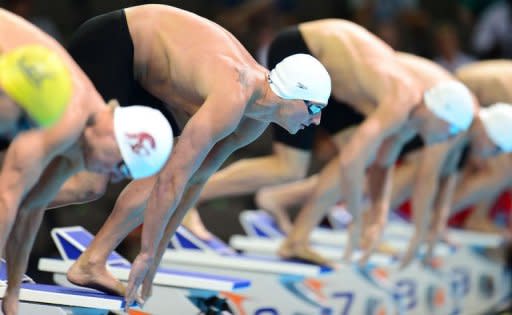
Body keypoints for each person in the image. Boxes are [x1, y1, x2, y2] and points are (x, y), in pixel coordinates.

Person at [52, 4, 331, 308]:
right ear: (290, 94)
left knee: (164, 171)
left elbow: (192, 182)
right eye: (314, 108)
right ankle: (9, 202)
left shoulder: (254, 121)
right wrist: (144, 252)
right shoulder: (233, 95)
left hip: (148, 75)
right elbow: (172, 181)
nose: (316, 121)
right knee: (88, 184)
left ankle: (92, 262)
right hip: (115, 42)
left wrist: (157, 255)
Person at [0, 8, 175, 315]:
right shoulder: (67, 119)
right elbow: (7, 197)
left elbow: (30, 210)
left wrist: (12, 294)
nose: (114, 178)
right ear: (117, 139)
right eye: (121, 167)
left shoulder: (82, 135)